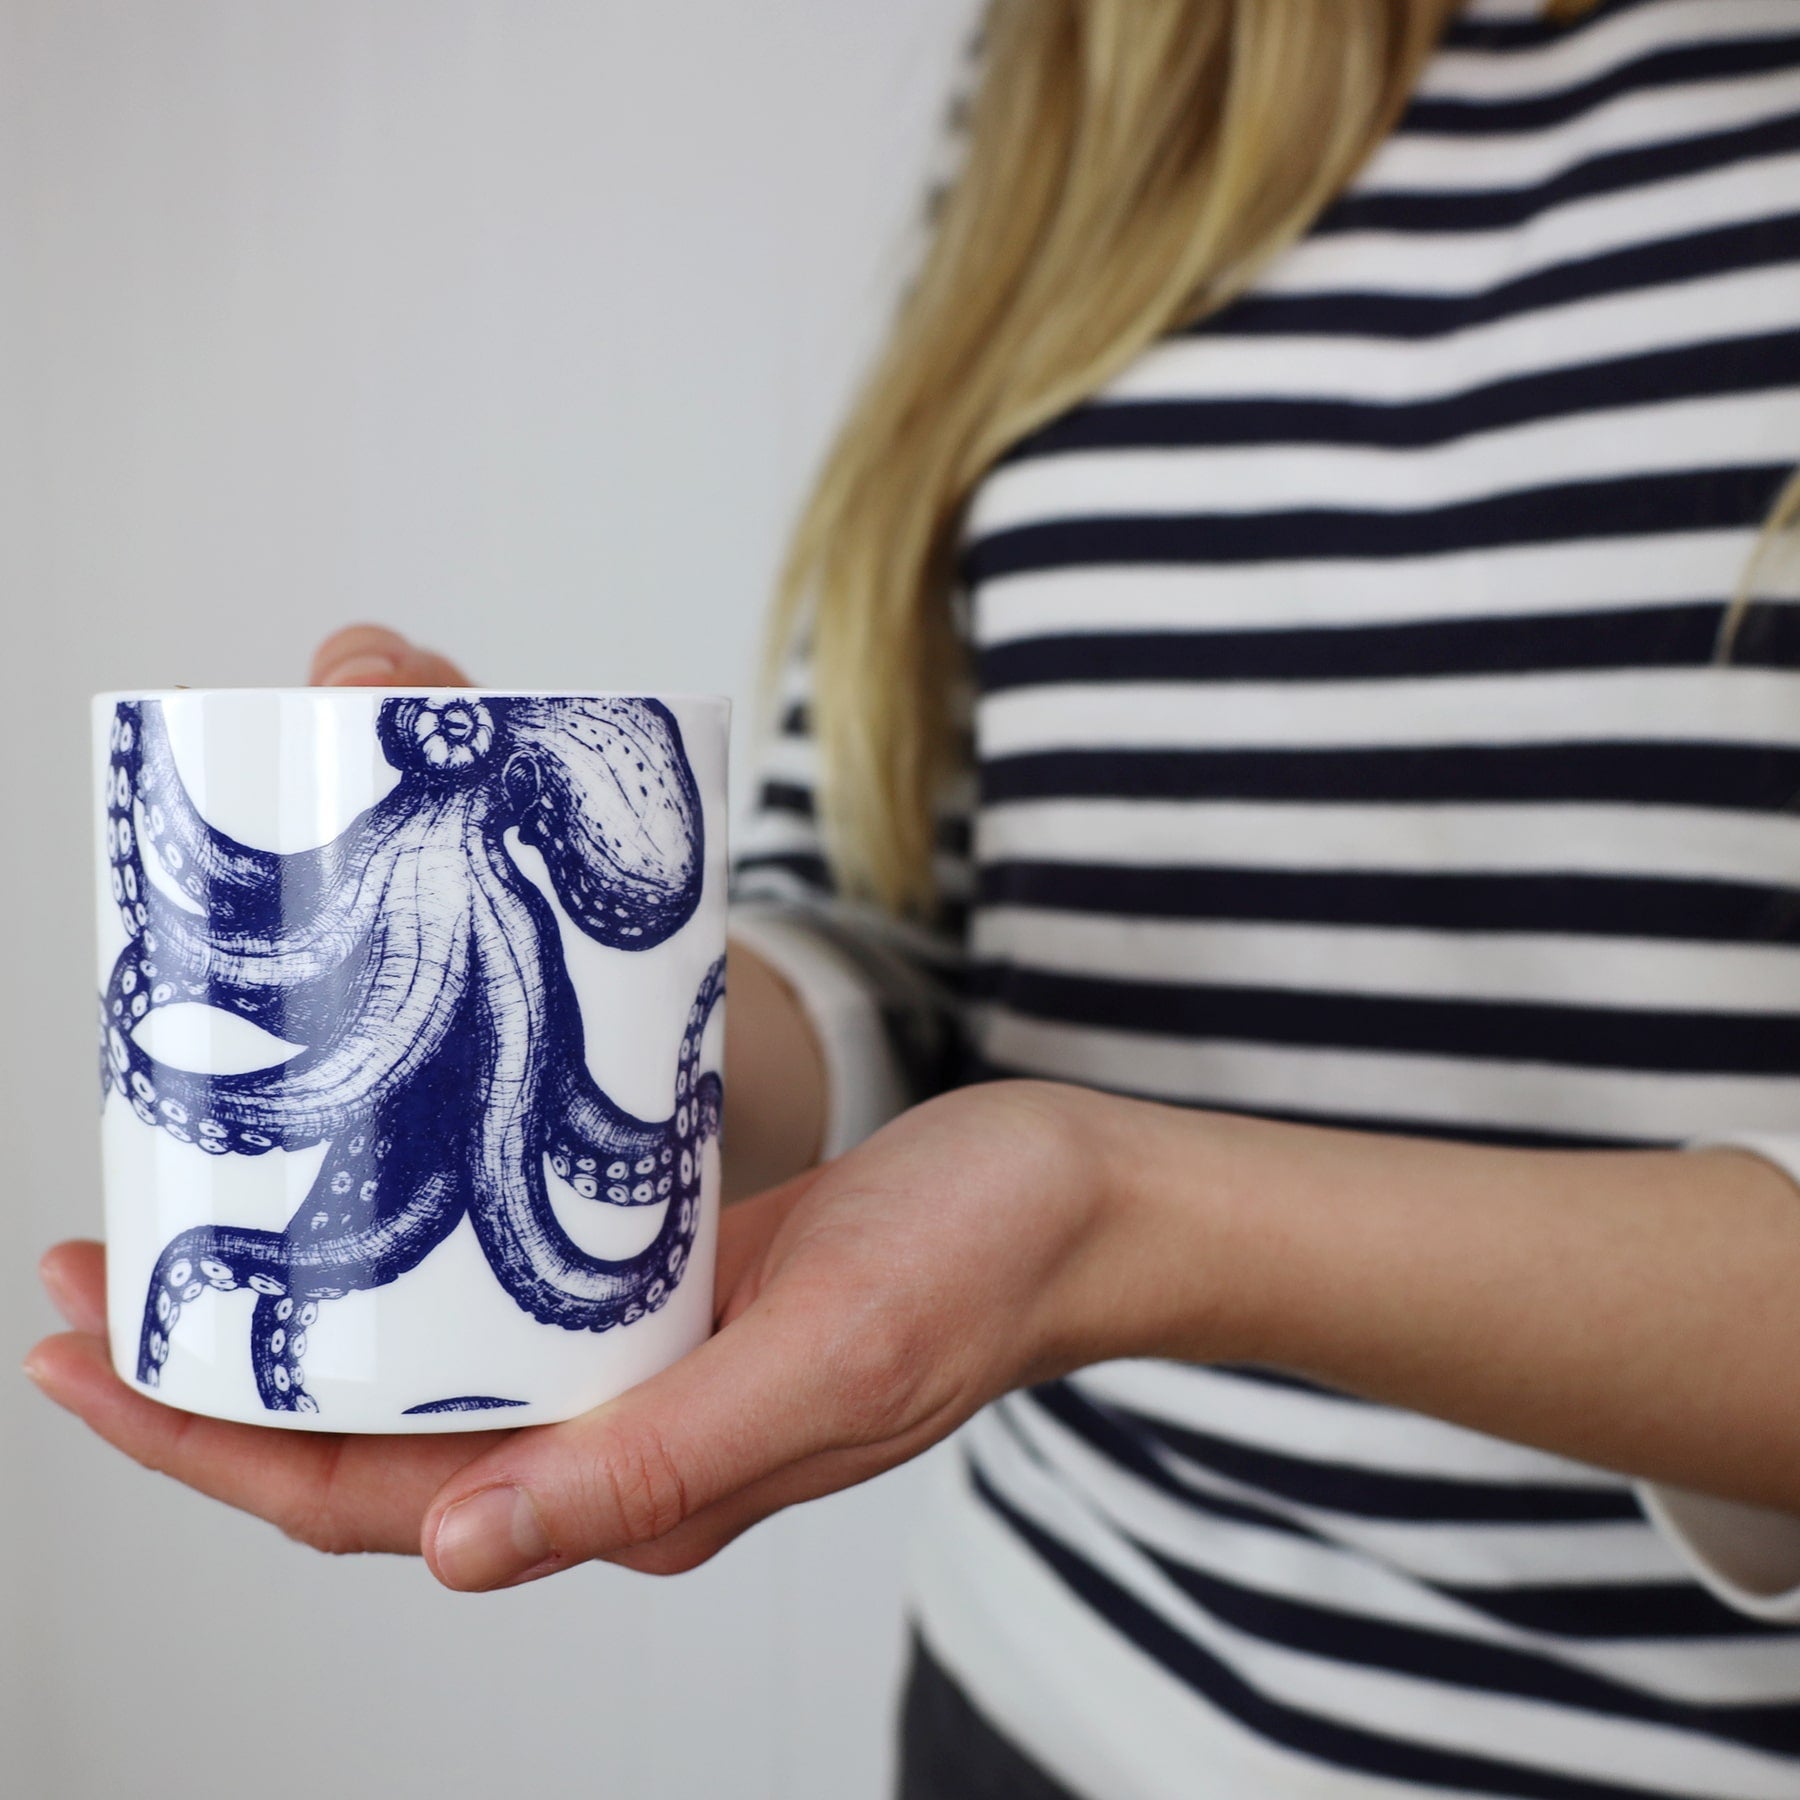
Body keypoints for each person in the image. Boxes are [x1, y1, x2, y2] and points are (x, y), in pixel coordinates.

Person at [29, 0, 1800, 1792]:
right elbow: (892, 905)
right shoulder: (1106, 63)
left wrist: (1118, 1216)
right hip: (1043, 1707)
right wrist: (617, 1014)